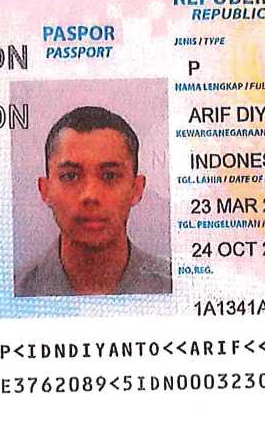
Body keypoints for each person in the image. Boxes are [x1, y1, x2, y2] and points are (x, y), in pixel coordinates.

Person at [15, 105, 173, 297]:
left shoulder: (177, 287)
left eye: (110, 176)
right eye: (70, 176)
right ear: (45, 190)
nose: (90, 195)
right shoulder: (10, 292)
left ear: (137, 189)